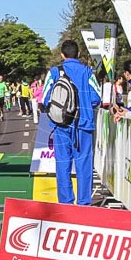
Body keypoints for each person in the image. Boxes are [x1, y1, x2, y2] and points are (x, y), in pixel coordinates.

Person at [42, 40, 102, 205]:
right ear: (78, 54)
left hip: (61, 125)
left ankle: (66, 202)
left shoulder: (55, 72)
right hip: (83, 125)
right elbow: (97, 97)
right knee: (84, 165)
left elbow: (45, 98)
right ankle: (83, 204)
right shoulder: (88, 72)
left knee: (63, 165)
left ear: (62, 54)